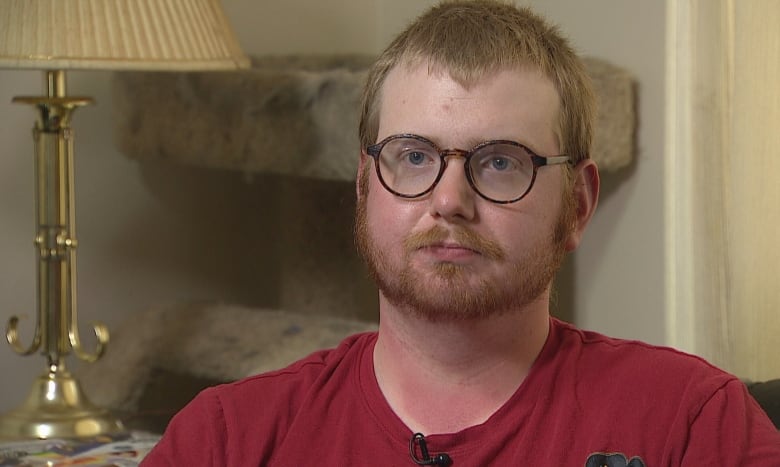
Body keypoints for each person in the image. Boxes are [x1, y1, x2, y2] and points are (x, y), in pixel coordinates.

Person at [141, 1, 780, 465]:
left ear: (578, 205)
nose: (450, 200)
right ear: (364, 187)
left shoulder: (692, 425)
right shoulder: (225, 439)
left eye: (501, 161)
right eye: (414, 156)